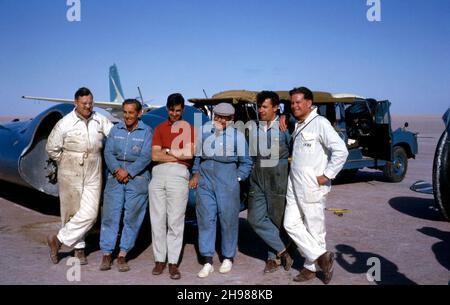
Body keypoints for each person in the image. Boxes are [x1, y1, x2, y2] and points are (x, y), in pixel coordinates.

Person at [284, 87, 348, 284]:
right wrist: (283, 117)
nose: (294, 106)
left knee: (315, 229)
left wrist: (327, 175)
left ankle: (311, 269)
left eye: (298, 102)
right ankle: (322, 257)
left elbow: (341, 151)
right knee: (290, 223)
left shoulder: (320, 123)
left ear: (309, 103)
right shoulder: (299, 123)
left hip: (312, 185)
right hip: (294, 183)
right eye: (292, 103)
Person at [46, 87, 113, 265]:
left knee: (90, 212)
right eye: (84, 103)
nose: (88, 107)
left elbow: (113, 135)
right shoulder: (65, 123)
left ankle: (58, 240)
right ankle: (79, 249)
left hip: (94, 165)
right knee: (71, 210)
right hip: (70, 166)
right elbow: (51, 147)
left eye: (91, 103)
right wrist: (65, 161)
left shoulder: (100, 120)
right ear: (76, 103)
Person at [189, 102, 253, 278]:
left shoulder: (237, 137)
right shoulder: (204, 130)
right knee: (205, 218)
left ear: (231, 119)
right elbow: (197, 156)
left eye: (225, 118)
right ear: (214, 116)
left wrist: (237, 178)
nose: (221, 120)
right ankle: (207, 260)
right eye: (218, 116)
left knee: (228, 219)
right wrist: (195, 173)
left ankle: (227, 257)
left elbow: (246, 162)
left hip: (227, 180)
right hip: (206, 179)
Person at [99, 99, 153, 272]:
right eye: (125, 112)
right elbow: (108, 152)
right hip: (115, 178)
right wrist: (116, 170)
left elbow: (146, 156)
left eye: (131, 112)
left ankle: (122, 254)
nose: (127, 116)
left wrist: (128, 172)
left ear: (139, 113)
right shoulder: (116, 129)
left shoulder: (146, 132)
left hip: (137, 179)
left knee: (132, 217)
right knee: (110, 215)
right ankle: (107, 253)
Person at [149, 93, 195, 280]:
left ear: (182, 109)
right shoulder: (160, 128)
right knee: (157, 219)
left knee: (175, 220)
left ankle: (173, 262)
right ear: (167, 109)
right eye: (171, 110)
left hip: (178, 174)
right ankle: (159, 259)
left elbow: (190, 154)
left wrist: (166, 150)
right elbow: (154, 156)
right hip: (158, 173)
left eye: (178, 110)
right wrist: (177, 153)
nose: (174, 114)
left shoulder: (189, 129)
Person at [247, 91, 293, 273]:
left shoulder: (285, 126)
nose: (260, 110)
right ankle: (284, 249)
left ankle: (272, 258)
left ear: (276, 108)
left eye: (265, 107)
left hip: (279, 174)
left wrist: (287, 117)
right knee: (254, 217)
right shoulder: (253, 128)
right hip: (258, 174)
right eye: (259, 107)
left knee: (276, 217)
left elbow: (295, 149)